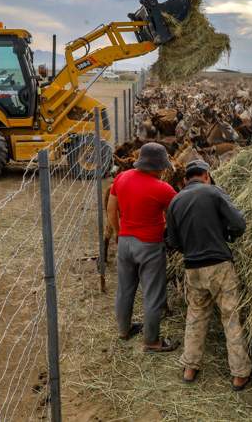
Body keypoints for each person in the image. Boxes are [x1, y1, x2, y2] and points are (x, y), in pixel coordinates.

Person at [166, 159, 252, 390]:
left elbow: (172, 241)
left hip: (192, 268)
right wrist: (227, 235)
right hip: (219, 267)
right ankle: (239, 373)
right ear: (206, 175)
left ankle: (190, 367)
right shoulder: (214, 192)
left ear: (186, 179)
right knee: (231, 317)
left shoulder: (175, 201)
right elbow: (239, 223)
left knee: (195, 316)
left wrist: (190, 249)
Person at [106, 142, 178, 352]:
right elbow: (174, 218)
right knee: (153, 293)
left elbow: (111, 210)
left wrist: (119, 233)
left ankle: (124, 330)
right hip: (150, 245)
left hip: (125, 242)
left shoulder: (121, 177)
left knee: (125, 288)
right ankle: (152, 341)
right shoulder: (164, 189)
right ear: (159, 166)